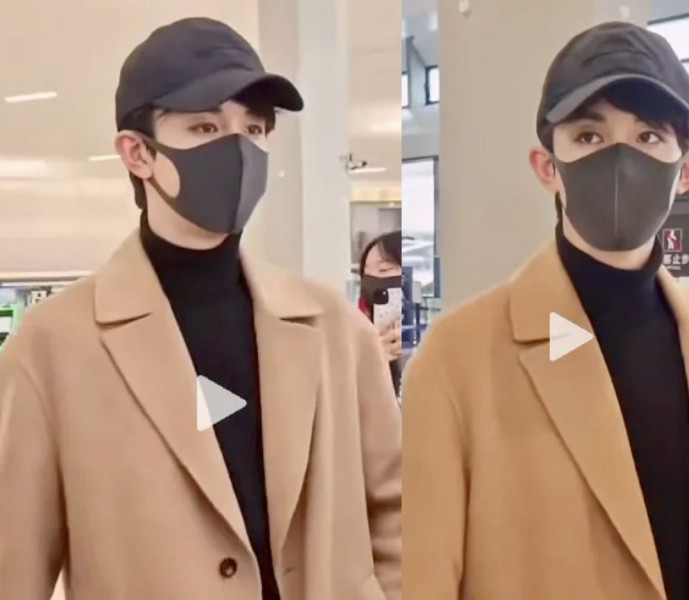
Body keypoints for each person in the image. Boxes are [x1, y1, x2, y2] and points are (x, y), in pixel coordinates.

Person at [0, 18, 400, 600]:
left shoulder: (335, 330)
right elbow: (14, 563)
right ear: (138, 153)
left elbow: (396, 511)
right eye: (205, 126)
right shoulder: (53, 348)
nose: (238, 149)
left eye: (254, 128)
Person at [402, 21, 689, 600]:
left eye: (649, 136)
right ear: (547, 167)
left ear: (687, 170)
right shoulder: (459, 358)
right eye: (588, 136)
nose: (619, 159)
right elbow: (427, 573)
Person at [358, 231, 403, 396]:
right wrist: (370, 364)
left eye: (384, 269)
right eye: (366, 273)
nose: (372, 280)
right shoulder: (352, 339)